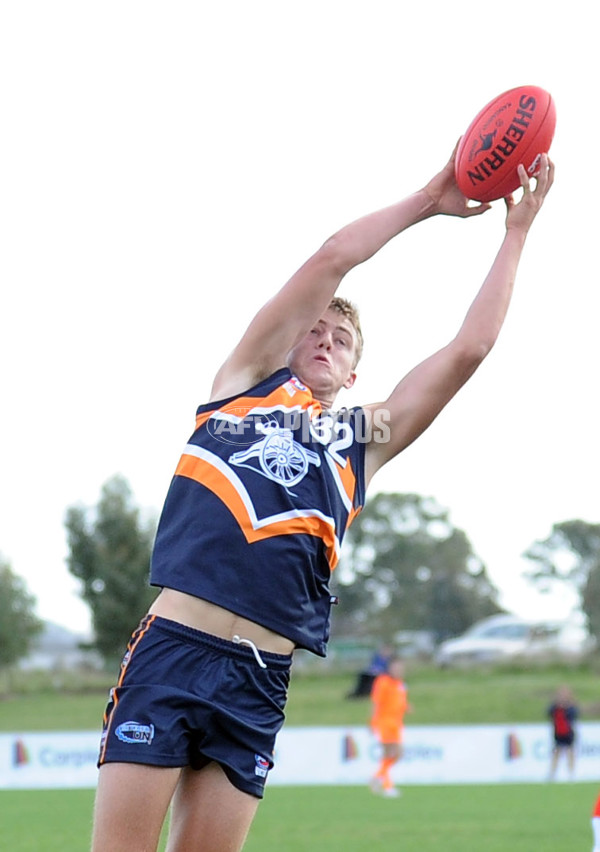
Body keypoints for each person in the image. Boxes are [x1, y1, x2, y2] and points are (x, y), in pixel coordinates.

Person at [90, 147, 554, 852]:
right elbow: (334, 256)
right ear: (287, 339)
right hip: (175, 651)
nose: (325, 340)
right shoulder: (241, 385)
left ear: (354, 369)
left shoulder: (361, 438)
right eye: (315, 328)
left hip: (260, 678)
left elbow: (470, 348)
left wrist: (516, 232)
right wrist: (431, 198)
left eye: (341, 339)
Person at [369, 656, 412, 797]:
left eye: (401, 667)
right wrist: (373, 722)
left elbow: (400, 701)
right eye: (396, 667)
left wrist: (406, 707)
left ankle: (379, 778)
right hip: (385, 722)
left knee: (394, 754)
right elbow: (376, 703)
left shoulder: (400, 684)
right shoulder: (383, 682)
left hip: (397, 723)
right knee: (392, 753)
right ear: (390, 668)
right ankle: (386, 784)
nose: (399, 670)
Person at [548, 684, 579, 780]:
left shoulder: (570, 707)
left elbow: (574, 715)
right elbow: (549, 713)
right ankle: (552, 774)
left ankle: (571, 773)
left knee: (570, 752)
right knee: (556, 752)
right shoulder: (555, 707)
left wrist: (567, 706)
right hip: (558, 732)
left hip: (568, 732)